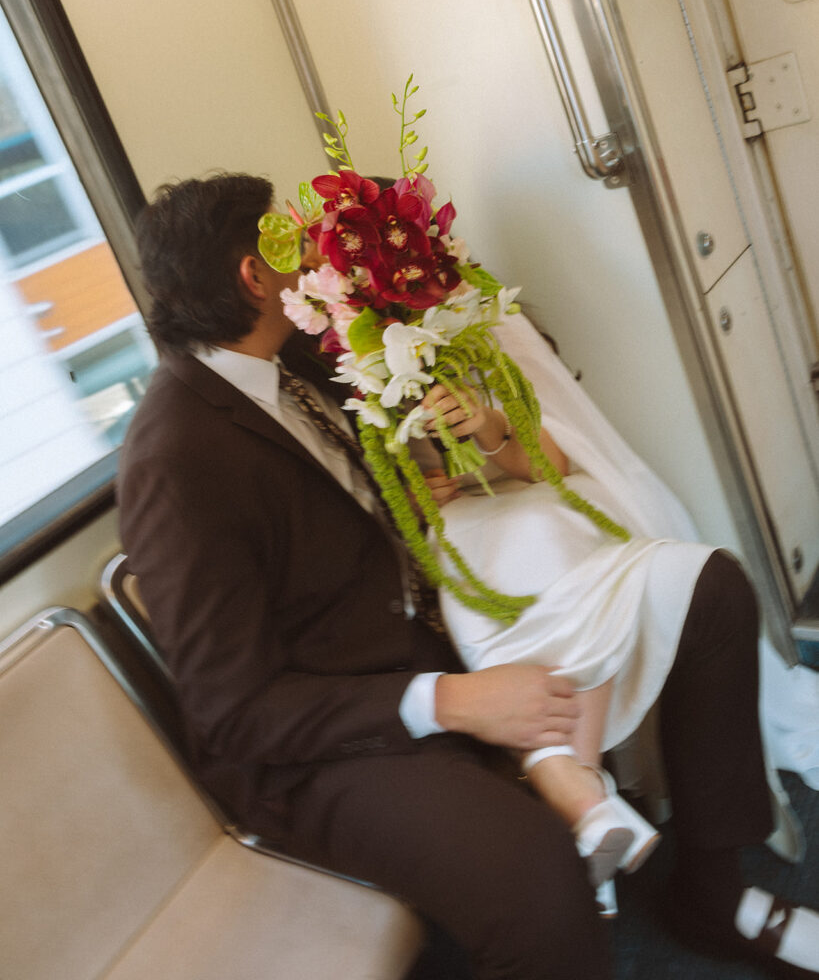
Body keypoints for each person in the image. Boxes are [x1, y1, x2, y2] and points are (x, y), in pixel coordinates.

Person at [118, 172, 819, 980]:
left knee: (711, 592)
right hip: (328, 747)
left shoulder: (300, 364)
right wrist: (452, 699)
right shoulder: (174, 459)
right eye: (291, 244)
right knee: (537, 882)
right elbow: (234, 713)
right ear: (255, 274)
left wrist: (431, 470)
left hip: (426, 628)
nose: (313, 258)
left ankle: (713, 890)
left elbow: (347, 500)